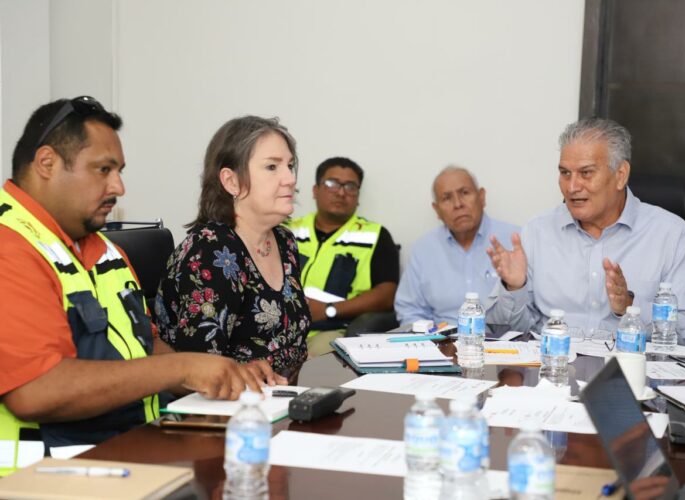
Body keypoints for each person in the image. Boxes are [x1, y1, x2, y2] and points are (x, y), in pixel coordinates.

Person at [0, 97, 274, 475]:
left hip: (128, 455)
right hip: (42, 480)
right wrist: (181, 368)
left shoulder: (103, 249)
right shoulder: (10, 246)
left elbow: (144, 346)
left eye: (119, 171)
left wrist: (220, 373)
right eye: (103, 169)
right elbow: (35, 391)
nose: (119, 186)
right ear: (47, 163)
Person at [486, 117, 685, 344]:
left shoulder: (671, 234)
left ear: (620, 175)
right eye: (565, 173)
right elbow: (503, 329)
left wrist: (631, 309)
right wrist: (514, 288)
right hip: (554, 361)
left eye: (586, 173)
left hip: (627, 363)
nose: (572, 187)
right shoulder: (537, 231)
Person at [155, 116, 310, 376]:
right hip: (229, 400)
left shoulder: (284, 241)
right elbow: (201, 367)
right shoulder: (212, 250)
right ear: (231, 181)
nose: (289, 179)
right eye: (272, 167)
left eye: (290, 165)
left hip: (288, 391)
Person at [285, 157, 399, 356]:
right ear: (315, 190)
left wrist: (329, 309)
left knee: (317, 360)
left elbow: (386, 295)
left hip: (331, 330)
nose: (341, 192)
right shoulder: (287, 230)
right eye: (332, 183)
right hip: (280, 327)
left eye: (350, 186)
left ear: (358, 196)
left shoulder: (375, 236)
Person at [395, 166, 518, 326]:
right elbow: (409, 310)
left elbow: (529, 310)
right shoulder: (423, 250)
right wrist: (430, 336)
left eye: (464, 193)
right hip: (440, 339)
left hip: (502, 338)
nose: (458, 204)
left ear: (482, 197)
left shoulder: (514, 241)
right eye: (447, 198)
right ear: (437, 210)